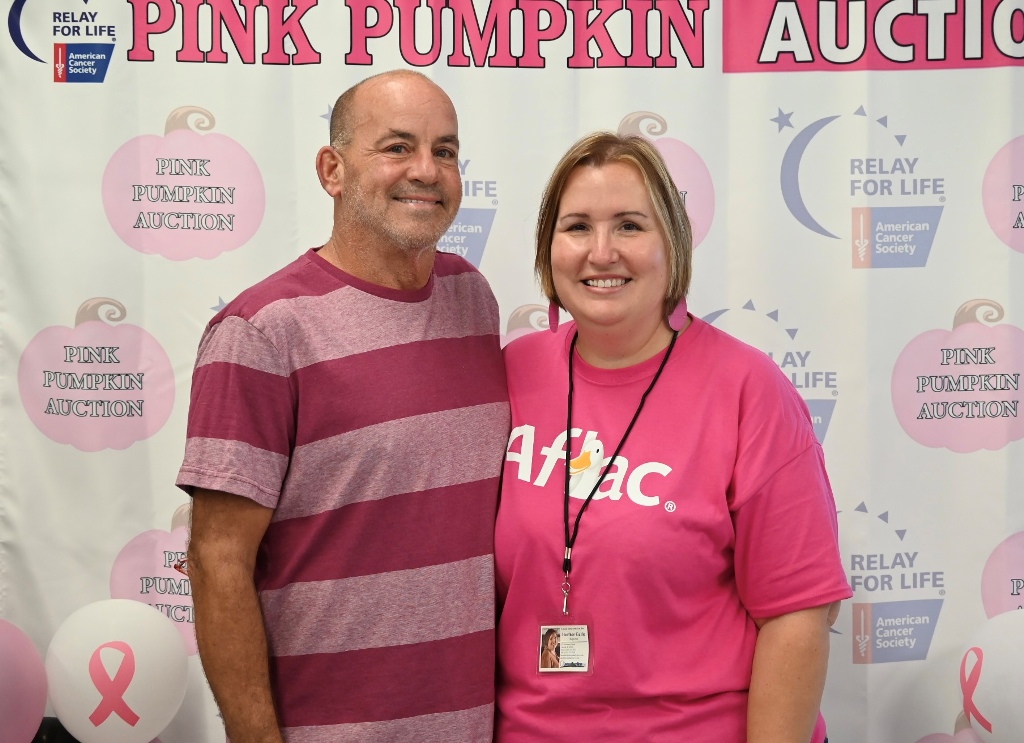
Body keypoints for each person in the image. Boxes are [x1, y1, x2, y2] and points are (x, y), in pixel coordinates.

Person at [177, 70, 510, 743]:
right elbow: (218, 563)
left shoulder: (472, 299)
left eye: (445, 151)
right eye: (397, 147)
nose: (426, 170)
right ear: (332, 170)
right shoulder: (262, 330)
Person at [495, 132, 852, 742]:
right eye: (577, 227)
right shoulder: (511, 373)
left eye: (629, 226)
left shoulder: (747, 389)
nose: (601, 252)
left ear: (673, 244)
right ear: (548, 248)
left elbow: (797, 614)